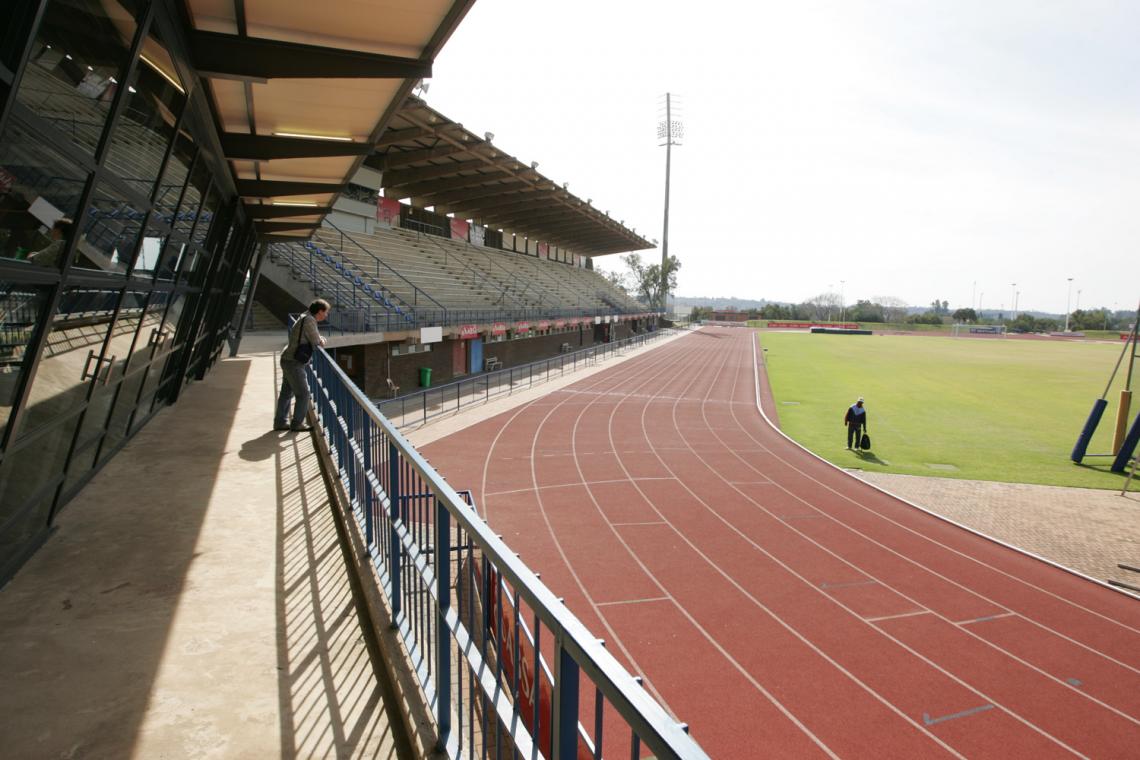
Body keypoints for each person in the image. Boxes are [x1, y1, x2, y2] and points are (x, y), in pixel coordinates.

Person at [274, 299, 329, 432]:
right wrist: (322, 339)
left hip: (288, 359)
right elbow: (316, 341)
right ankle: (297, 423)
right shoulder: (310, 320)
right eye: (326, 312)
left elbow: (309, 335)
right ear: (320, 311)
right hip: (294, 362)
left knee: (286, 393)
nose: (326, 315)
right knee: (303, 394)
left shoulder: (305, 316)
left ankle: (280, 422)